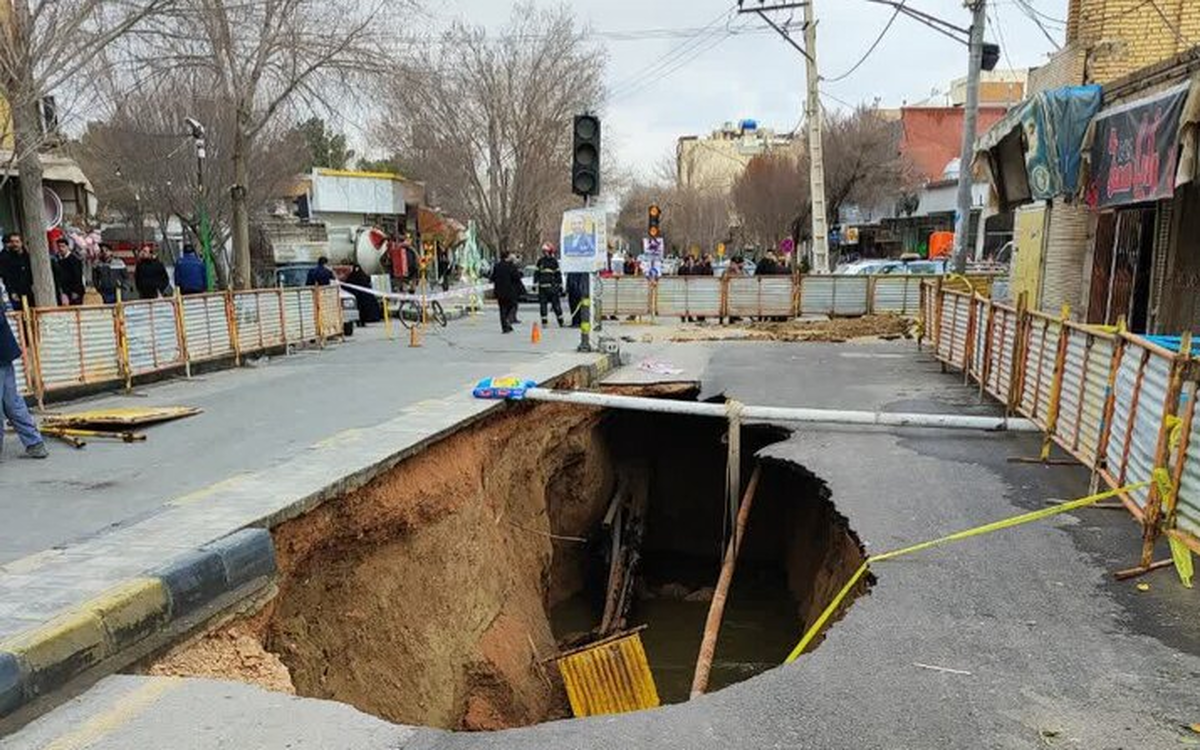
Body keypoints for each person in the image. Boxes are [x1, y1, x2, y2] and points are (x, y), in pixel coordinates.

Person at [0, 277, 47, 459]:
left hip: (2, 352)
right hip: (4, 351)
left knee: (11, 401)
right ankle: (35, 443)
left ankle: (35, 443)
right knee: (11, 401)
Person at [534, 243, 565, 328]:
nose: (545, 253)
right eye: (544, 252)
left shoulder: (553, 261)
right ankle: (545, 322)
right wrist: (535, 283)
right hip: (543, 287)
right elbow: (536, 273)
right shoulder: (540, 261)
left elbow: (558, 274)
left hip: (552, 287)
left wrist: (560, 285)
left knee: (556, 305)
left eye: (546, 251)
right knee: (544, 305)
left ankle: (560, 321)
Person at [492, 253, 523, 333]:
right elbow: (516, 277)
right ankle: (508, 320)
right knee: (511, 306)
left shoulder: (497, 266)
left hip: (499, 292)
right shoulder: (510, 266)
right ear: (507, 257)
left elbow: (492, 277)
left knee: (502, 309)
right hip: (509, 291)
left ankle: (505, 327)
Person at [0, 234, 33, 310]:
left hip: (30, 290)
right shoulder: (6, 258)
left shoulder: (28, 256)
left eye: (17, 242)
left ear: (21, 242)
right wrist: (12, 292)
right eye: (12, 242)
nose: (14, 244)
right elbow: (7, 277)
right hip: (17, 292)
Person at [52, 238, 84, 305]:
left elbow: (78, 277)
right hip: (64, 292)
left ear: (67, 247)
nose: (61, 249)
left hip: (74, 292)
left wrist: (75, 291)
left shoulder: (74, 260)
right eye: (59, 246)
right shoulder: (58, 260)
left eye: (63, 246)